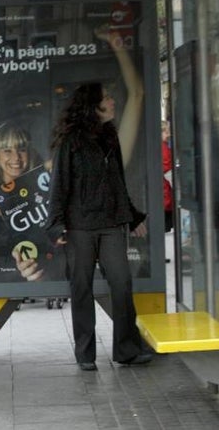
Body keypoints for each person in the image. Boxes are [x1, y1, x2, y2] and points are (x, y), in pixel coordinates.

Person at [46, 81, 151, 372]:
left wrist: (132, 217)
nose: (112, 100)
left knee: (122, 282)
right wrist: (56, 226)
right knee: (81, 288)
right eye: (107, 97)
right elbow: (59, 186)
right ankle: (85, 353)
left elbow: (117, 181)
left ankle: (126, 350)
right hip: (79, 226)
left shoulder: (109, 136)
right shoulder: (71, 141)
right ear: (93, 106)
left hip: (110, 224)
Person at [0, 122, 60, 281]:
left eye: (22, 150)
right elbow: (9, 204)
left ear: (30, 152)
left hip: (37, 273)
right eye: (7, 150)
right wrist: (45, 167)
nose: (16, 158)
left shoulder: (43, 185)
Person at [162, 120, 174, 233]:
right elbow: (166, 166)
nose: (168, 135)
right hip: (164, 187)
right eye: (166, 132)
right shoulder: (164, 147)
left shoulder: (164, 146)